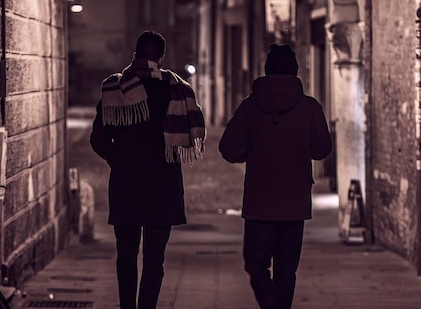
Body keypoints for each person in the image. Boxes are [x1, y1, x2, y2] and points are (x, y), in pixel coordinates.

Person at [90, 30, 205, 309]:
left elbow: (98, 139)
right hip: (162, 186)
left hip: (126, 184)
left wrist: (117, 159)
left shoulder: (114, 89)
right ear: (161, 57)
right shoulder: (178, 89)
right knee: (155, 260)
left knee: (126, 255)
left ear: (135, 54)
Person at [218, 43, 332, 309]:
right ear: (295, 72)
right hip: (295, 201)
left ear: (266, 71)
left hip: (259, 201)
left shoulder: (250, 106)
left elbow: (228, 148)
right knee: (286, 269)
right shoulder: (310, 107)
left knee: (256, 265)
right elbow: (322, 150)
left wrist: (254, 152)